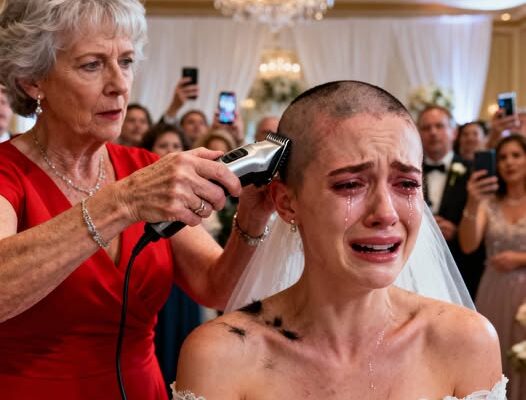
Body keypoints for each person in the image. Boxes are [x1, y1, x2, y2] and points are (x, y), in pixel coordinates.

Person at [0, 1, 273, 399]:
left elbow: (215, 287)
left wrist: (252, 215)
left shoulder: (144, 169)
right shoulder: (9, 173)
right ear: (32, 80)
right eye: (92, 65)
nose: (119, 84)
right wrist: (120, 203)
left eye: (126, 61)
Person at [174, 81, 505, 400]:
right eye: (350, 185)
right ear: (286, 202)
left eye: (406, 184)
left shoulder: (466, 342)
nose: (386, 213)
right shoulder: (222, 355)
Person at [458, 133, 526, 400]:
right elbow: (468, 244)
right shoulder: (489, 203)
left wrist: (520, 259)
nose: (509, 162)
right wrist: (473, 201)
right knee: (494, 357)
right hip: (494, 290)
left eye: (516, 155)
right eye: (503, 157)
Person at [417, 105, 485, 299]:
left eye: (439, 126)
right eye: (426, 128)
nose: (433, 132)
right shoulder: (408, 170)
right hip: (418, 266)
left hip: (461, 270)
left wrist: (457, 232)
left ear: (454, 132)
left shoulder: (474, 172)